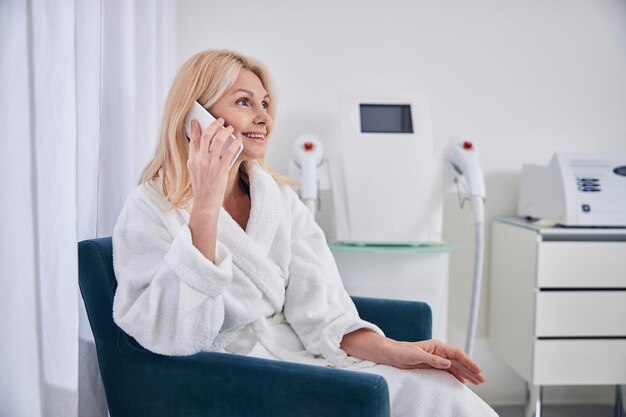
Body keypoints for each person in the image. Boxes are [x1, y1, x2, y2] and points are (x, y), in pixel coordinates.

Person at [112, 49, 498, 416]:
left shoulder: (277, 199)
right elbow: (170, 334)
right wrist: (206, 206)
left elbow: (323, 311)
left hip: (302, 362)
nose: (264, 117)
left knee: (437, 389)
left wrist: (394, 349)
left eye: (265, 104)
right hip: (230, 380)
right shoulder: (150, 208)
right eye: (244, 102)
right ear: (195, 116)